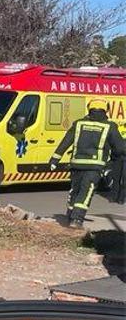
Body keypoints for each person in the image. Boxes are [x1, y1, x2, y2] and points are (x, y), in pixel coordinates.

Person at [48, 98, 126, 228]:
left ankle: (70, 214)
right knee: (86, 192)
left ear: (89, 109)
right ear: (105, 110)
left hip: (76, 164)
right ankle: (76, 220)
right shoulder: (109, 126)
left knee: (75, 190)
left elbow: (66, 141)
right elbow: (120, 148)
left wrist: (55, 159)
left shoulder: (79, 124)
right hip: (94, 167)